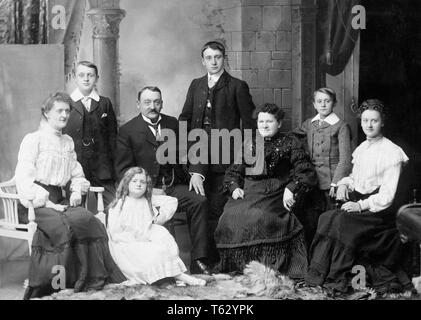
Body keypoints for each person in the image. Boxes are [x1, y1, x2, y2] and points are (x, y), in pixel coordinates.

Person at [15, 92, 125, 299]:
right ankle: (60, 283)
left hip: (59, 200)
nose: (65, 115)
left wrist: (76, 190)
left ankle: (90, 280)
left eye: (67, 111)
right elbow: (24, 178)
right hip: (34, 203)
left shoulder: (67, 142)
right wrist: (47, 202)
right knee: (63, 227)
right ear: (47, 113)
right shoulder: (33, 140)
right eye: (59, 111)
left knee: (89, 220)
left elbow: (77, 173)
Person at [305, 99, 414, 295]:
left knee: (340, 221)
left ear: (382, 123)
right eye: (365, 121)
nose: (369, 125)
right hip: (364, 205)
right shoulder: (363, 148)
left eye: (374, 120)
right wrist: (344, 183)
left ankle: (336, 279)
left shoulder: (391, 152)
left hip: (382, 213)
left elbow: (387, 196)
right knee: (326, 217)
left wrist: (360, 206)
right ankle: (317, 273)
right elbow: (357, 178)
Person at [115, 86, 212, 275]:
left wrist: (197, 173)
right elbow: (123, 171)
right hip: (145, 193)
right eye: (147, 102)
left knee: (199, 201)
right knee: (158, 219)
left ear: (162, 103)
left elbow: (193, 150)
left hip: (173, 186)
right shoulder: (128, 131)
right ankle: (164, 267)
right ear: (138, 104)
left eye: (157, 102)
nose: (153, 106)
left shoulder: (173, 124)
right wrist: (147, 189)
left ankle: (199, 260)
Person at [214, 103, 317, 278]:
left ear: (279, 123)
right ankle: (240, 267)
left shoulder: (290, 142)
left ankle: (266, 267)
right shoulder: (250, 142)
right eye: (261, 121)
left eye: (269, 121)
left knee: (262, 217)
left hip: (276, 190)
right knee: (229, 218)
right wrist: (234, 187)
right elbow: (234, 171)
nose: (264, 125)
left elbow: (304, 170)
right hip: (250, 190)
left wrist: (291, 188)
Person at [179, 41, 256, 265]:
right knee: (200, 206)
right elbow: (184, 117)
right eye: (209, 58)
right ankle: (203, 260)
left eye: (218, 57)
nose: (213, 62)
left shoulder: (237, 86)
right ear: (203, 61)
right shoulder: (196, 85)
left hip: (226, 158)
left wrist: (244, 157)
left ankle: (223, 261)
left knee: (219, 209)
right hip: (198, 157)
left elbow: (250, 124)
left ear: (224, 58)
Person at [107, 167, 206, 286]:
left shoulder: (148, 200)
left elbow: (171, 201)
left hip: (146, 239)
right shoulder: (120, 204)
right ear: (126, 183)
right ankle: (183, 277)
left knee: (164, 245)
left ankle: (175, 276)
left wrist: (160, 218)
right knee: (154, 251)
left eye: (142, 182)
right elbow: (115, 232)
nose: (138, 184)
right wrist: (138, 240)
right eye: (134, 181)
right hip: (126, 245)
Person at [294, 87, 352, 245]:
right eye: (319, 101)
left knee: (330, 224)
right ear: (314, 104)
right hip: (312, 182)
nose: (323, 105)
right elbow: (293, 137)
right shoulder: (309, 124)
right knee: (311, 222)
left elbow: (345, 160)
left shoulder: (341, 126)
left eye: (327, 101)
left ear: (334, 103)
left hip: (330, 184)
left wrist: (336, 182)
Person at [64, 61, 118, 211]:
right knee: (76, 208)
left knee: (114, 205)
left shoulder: (104, 103)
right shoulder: (67, 104)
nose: (86, 79)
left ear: (97, 78)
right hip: (75, 166)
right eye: (81, 75)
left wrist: (115, 170)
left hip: (102, 167)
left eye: (90, 75)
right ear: (75, 77)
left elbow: (112, 138)